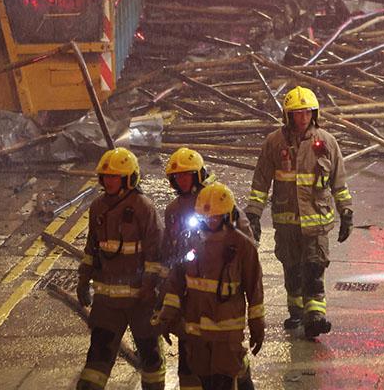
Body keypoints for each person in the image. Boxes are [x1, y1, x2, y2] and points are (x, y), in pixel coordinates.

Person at [244, 86, 353, 338]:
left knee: (314, 268)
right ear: (288, 115)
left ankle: (316, 316)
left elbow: (339, 182)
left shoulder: (327, 143)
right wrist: (253, 214)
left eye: (306, 113)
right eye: (297, 113)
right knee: (292, 268)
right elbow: (260, 181)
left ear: (314, 114)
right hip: (286, 223)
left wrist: (346, 211)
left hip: (317, 223)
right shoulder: (274, 143)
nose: (302, 118)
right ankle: (296, 311)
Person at [160, 148, 254, 390]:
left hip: (220, 299)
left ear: (198, 175)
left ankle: (240, 372)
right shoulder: (173, 211)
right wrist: (165, 302)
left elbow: (245, 244)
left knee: (226, 357)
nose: (181, 181)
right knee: (190, 359)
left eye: (186, 175)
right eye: (177, 177)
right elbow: (168, 258)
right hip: (189, 299)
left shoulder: (219, 200)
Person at [76, 148, 166, 390]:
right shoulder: (97, 208)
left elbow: (156, 253)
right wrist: (83, 280)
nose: (109, 181)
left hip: (140, 303)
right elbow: (91, 250)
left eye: (115, 177)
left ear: (129, 179)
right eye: (106, 177)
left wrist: (151, 288)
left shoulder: (143, 207)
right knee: (96, 361)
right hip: (107, 304)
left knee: (150, 357)